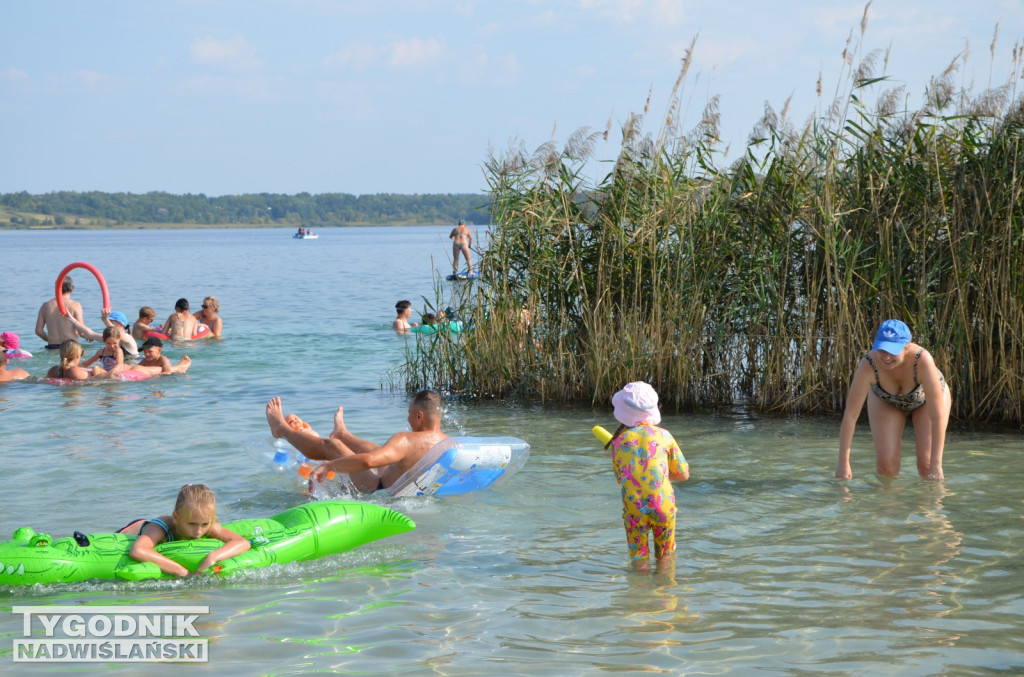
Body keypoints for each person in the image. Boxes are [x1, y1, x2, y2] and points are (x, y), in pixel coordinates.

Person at [264, 390, 448, 493]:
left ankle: (282, 429)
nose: (408, 419)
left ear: (419, 416)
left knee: (332, 447)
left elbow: (368, 461)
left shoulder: (406, 440)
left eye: (409, 414)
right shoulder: (449, 442)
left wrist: (329, 467)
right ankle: (342, 434)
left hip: (380, 490)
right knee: (380, 449)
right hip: (410, 489)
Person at [836, 319, 952, 480]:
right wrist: (843, 463)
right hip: (886, 400)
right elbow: (850, 416)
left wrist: (937, 465)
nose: (886, 357)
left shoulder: (922, 360)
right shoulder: (868, 365)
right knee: (886, 467)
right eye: (881, 349)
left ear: (906, 347)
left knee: (927, 465)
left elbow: (937, 416)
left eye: (892, 350)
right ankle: (887, 505)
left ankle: (929, 504)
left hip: (925, 402)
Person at [604, 381, 689, 568]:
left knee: (639, 559)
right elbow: (683, 475)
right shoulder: (664, 436)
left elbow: (622, 479)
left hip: (634, 506)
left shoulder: (617, 442)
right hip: (663, 504)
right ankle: (665, 593)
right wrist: (663, 475)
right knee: (665, 558)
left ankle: (639, 595)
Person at [116, 483, 251, 577]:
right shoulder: (162, 527)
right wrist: (180, 570)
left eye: (205, 524)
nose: (198, 531)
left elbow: (242, 542)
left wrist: (212, 557)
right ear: (176, 517)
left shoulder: (204, 524)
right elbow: (138, 551)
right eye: (191, 524)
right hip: (130, 532)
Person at [35, 276, 88, 349]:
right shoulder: (75, 305)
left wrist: (50, 339)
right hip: (70, 347)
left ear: (56, 288)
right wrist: (89, 336)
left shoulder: (45, 306)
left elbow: (38, 331)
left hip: (52, 347)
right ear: (72, 289)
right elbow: (81, 332)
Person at [66, 309, 139, 358]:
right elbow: (90, 334)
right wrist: (72, 319)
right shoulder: (111, 340)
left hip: (132, 366)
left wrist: (105, 319)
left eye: (111, 322)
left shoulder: (128, 337)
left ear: (120, 324)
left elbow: (115, 332)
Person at [44, 340, 118, 381]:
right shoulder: (74, 371)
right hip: (75, 394)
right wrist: (106, 375)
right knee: (96, 367)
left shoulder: (53, 370)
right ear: (77, 355)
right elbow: (92, 381)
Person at [125, 336, 191, 376]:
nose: (146, 354)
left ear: (159, 350)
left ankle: (180, 368)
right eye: (145, 352)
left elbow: (167, 372)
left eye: (150, 351)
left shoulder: (163, 359)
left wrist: (155, 376)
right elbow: (137, 367)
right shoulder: (145, 361)